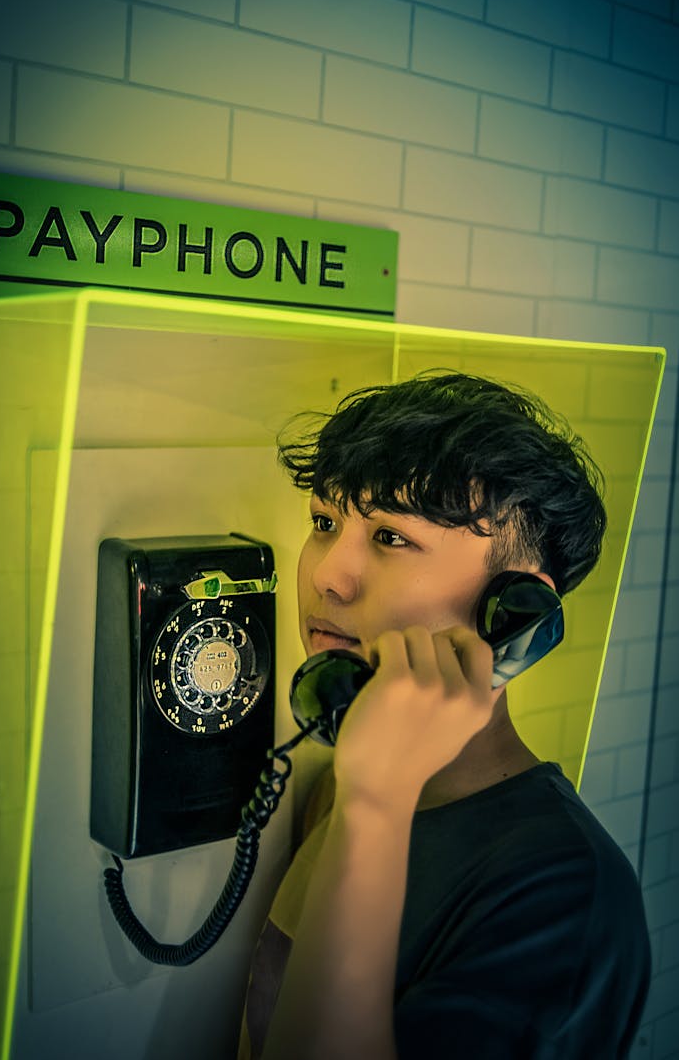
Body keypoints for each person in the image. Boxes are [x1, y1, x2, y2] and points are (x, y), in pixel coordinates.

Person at [237, 371, 651, 1060]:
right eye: (325, 523)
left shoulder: (569, 895)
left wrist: (378, 805)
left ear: (515, 609)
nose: (327, 576)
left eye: (392, 538)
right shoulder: (342, 783)